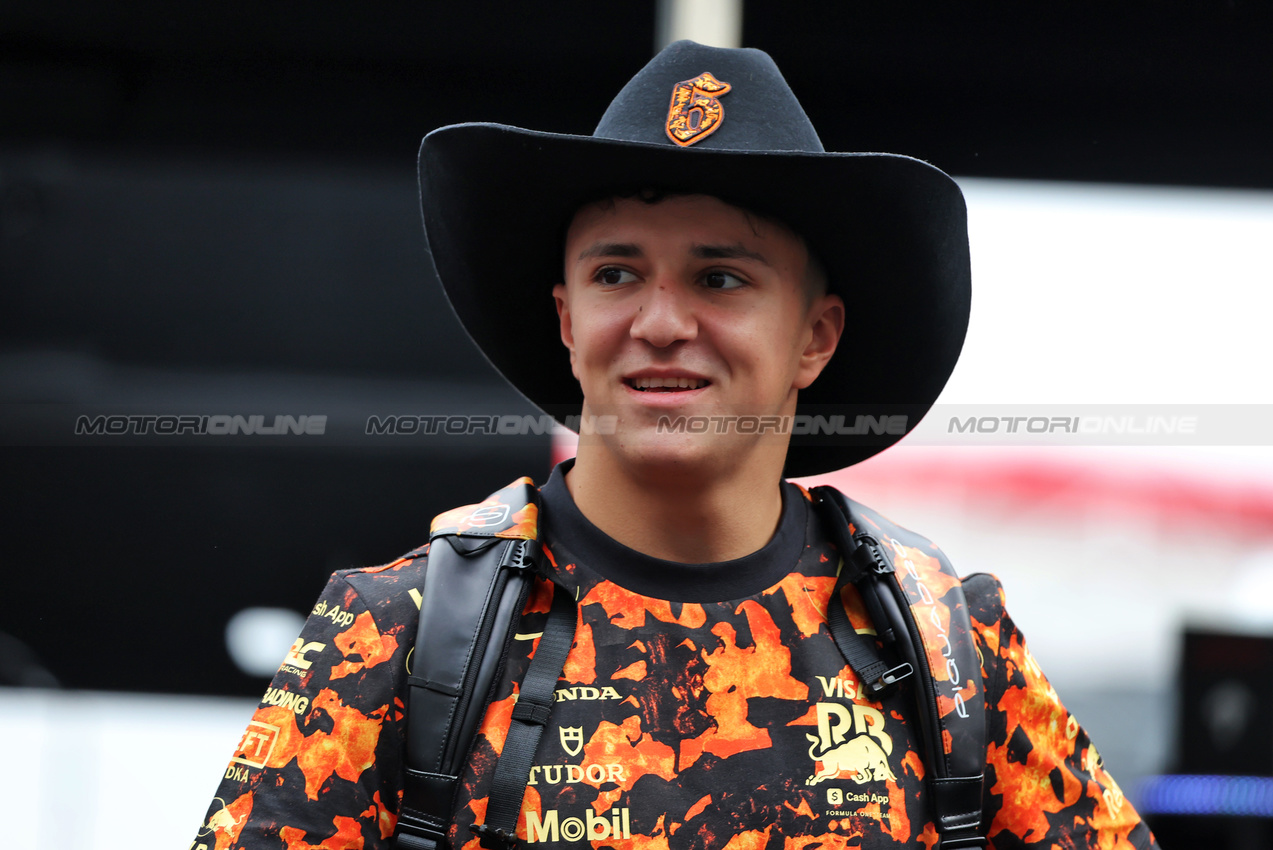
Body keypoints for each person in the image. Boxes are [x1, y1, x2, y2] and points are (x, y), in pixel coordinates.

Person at [193, 41, 1157, 850]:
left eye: (721, 279)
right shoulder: (391, 633)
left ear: (813, 338)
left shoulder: (950, 645)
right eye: (618, 273)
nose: (659, 322)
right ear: (568, 320)